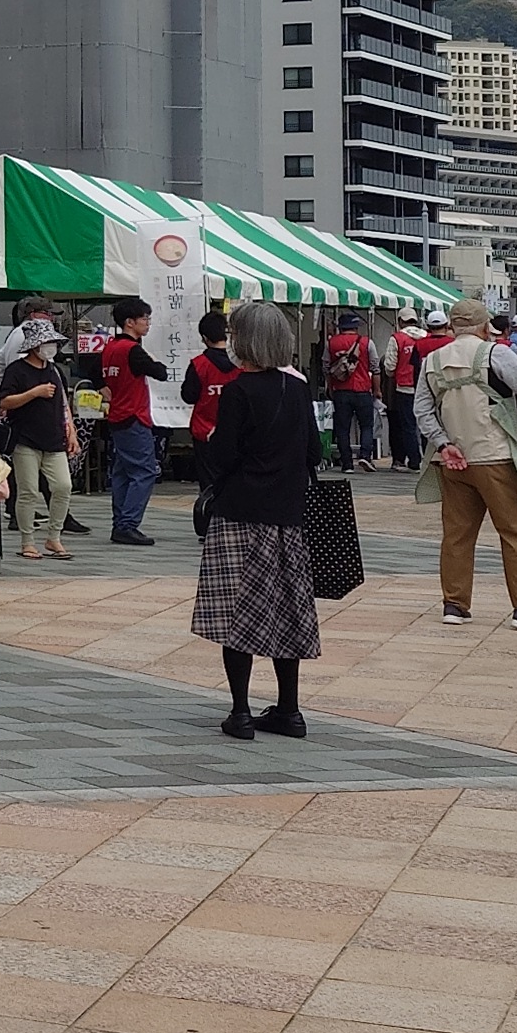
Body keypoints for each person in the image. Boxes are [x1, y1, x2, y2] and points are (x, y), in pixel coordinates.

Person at [190, 301, 320, 738]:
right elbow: (313, 451)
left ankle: (241, 712)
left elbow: (223, 456)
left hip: (240, 513)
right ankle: (290, 710)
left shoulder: (239, 391)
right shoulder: (297, 388)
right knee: (288, 610)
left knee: (237, 611)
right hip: (288, 515)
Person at [418, 299, 517, 631]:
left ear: (452, 326)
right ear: (484, 327)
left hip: (452, 459)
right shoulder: (496, 353)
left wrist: (444, 443)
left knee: (457, 535)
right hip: (494, 455)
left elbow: (422, 410)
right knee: (515, 533)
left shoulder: (432, 360)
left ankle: (455, 604)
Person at [0, 318, 79, 560]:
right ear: (33, 345)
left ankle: (54, 537)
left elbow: (63, 403)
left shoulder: (54, 371)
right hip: (25, 439)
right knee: (28, 490)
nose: (50, 347)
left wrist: (71, 430)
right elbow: (5, 402)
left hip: (54, 438)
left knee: (63, 486)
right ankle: (27, 541)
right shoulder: (16, 370)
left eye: (52, 342)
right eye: (46, 342)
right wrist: (34, 393)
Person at [91, 296, 170, 545]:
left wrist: (103, 387)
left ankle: (120, 523)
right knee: (145, 471)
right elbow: (160, 373)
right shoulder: (132, 350)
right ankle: (127, 524)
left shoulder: (110, 348)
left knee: (123, 472)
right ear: (129, 322)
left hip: (117, 416)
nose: (147, 323)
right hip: (134, 416)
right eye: (144, 319)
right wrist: (156, 361)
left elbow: (93, 372)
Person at [322, 317, 382, 474]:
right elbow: (375, 368)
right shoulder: (367, 343)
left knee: (342, 428)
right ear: (356, 327)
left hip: (341, 390)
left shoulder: (331, 343)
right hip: (363, 389)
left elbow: (326, 368)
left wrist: (331, 387)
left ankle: (347, 463)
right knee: (366, 425)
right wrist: (377, 390)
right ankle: (365, 456)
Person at [181, 308, 238, 450]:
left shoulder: (199, 364)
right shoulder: (242, 364)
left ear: (205, 338)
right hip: (236, 432)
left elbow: (188, 396)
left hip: (204, 432)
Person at [383, 319, 425, 471]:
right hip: (424, 387)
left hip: (404, 387)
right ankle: (429, 459)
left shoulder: (397, 338)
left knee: (408, 426)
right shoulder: (426, 337)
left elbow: (390, 366)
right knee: (426, 424)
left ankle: (414, 460)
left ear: (400, 322)